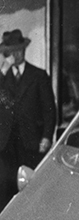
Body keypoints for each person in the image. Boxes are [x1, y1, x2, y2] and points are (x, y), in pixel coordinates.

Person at [0, 29, 55, 205]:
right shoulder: (3, 77)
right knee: (7, 191)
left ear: (24, 50)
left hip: (31, 142)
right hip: (6, 145)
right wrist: (3, 70)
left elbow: (49, 110)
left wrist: (46, 136)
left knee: (32, 190)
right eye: (11, 51)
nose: (15, 54)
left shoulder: (38, 75)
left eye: (18, 49)